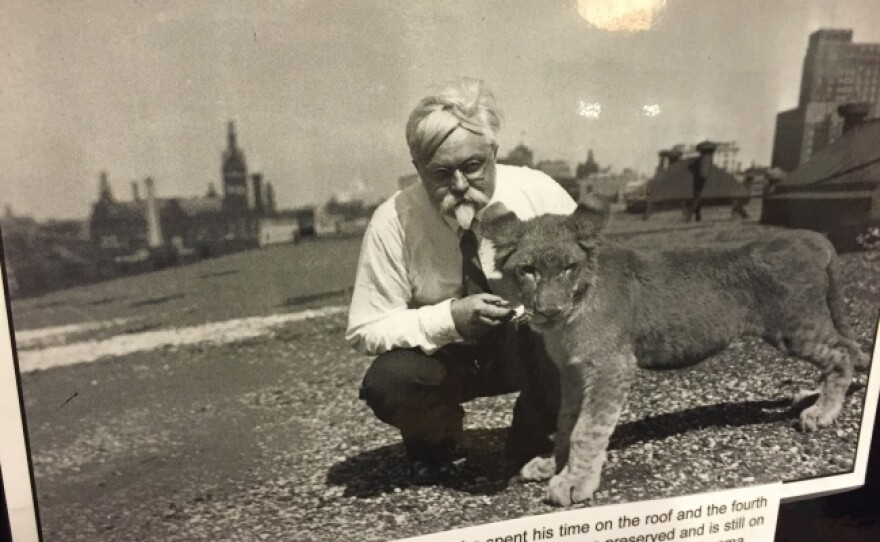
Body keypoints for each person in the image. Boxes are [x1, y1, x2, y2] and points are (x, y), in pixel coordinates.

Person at [346, 78, 576, 481]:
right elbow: (365, 329)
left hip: (524, 350)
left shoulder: (540, 194)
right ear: (417, 169)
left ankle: (533, 439)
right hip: (446, 360)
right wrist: (449, 318)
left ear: (493, 153)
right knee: (389, 381)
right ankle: (437, 441)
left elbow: (602, 278)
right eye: (440, 173)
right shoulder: (391, 222)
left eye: (472, 167)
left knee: (569, 336)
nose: (459, 186)